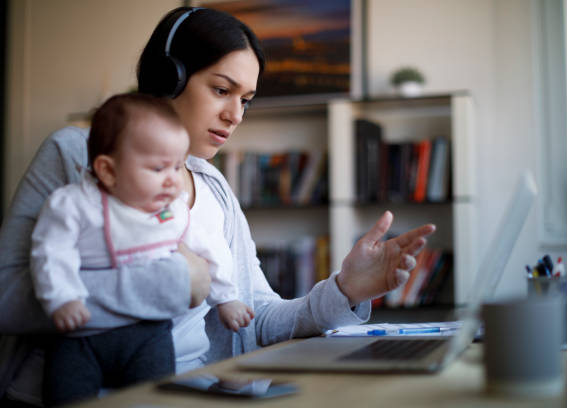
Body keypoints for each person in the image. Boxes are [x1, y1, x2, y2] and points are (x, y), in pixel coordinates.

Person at [0, 6, 435, 406]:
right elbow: (7, 297)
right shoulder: (79, 154)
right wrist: (179, 280)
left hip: (191, 392)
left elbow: (255, 316)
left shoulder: (214, 187)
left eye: (245, 99)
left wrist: (345, 289)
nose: (235, 115)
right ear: (168, 77)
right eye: (222, 90)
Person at [29, 93, 253, 406]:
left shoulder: (171, 210)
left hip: (149, 333)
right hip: (80, 337)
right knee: (66, 393)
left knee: (153, 396)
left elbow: (211, 248)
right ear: (108, 171)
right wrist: (62, 297)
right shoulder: (74, 205)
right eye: (159, 169)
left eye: (178, 167)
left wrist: (226, 297)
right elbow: (50, 252)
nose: (173, 181)